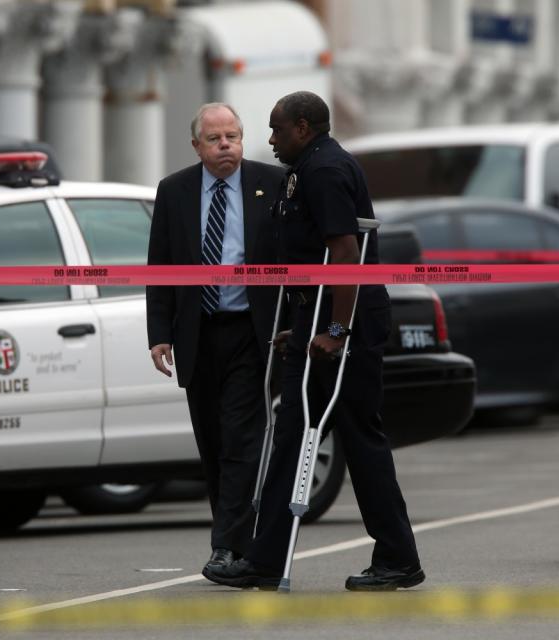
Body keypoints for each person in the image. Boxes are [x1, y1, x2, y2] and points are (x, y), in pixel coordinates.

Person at [203, 91, 424, 591]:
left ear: (303, 127)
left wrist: (336, 330)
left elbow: (345, 252)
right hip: (317, 312)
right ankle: (265, 557)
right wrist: (303, 325)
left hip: (346, 316)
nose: (271, 139)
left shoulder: (325, 171)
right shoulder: (304, 170)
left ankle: (398, 557)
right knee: (290, 433)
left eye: (277, 129)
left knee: (358, 435)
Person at [146, 103, 283, 574]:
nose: (226, 145)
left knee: (240, 439)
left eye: (234, 136)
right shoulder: (174, 191)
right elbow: (160, 266)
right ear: (196, 146)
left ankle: (227, 547)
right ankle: (234, 540)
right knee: (212, 441)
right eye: (215, 138)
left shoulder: (272, 183)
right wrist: (159, 333)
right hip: (198, 331)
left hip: (251, 329)